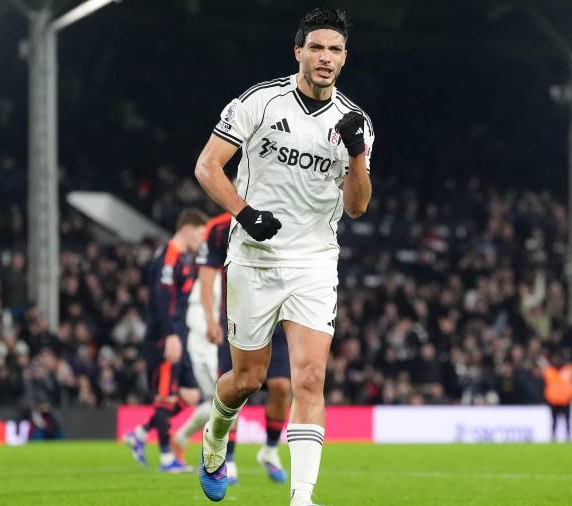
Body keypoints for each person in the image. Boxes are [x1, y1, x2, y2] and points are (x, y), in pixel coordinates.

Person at [193, 8, 374, 504]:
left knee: (309, 379)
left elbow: (357, 207)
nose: (325, 57)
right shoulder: (259, 101)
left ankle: (302, 497)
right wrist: (244, 213)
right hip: (254, 258)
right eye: (316, 47)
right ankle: (214, 437)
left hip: (315, 261)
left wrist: (357, 156)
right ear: (299, 52)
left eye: (335, 50)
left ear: (344, 59)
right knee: (247, 379)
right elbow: (207, 167)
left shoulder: (354, 122)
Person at [172, 211, 292, 485]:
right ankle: (229, 458)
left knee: (282, 387)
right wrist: (211, 319)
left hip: (279, 317)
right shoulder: (219, 227)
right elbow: (206, 273)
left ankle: (270, 451)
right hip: (238, 319)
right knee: (240, 386)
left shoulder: (286, 213)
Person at [124, 208, 208, 472]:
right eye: (200, 233)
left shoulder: (183, 258)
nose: (202, 240)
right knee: (165, 397)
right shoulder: (169, 255)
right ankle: (166, 458)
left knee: (192, 396)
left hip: (179, 332)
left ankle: (140, 433)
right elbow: (161, 299)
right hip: (165, 336)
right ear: (188, 228)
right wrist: (170, 335)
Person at [542, 351, 572, 442]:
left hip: (566, 401)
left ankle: (568, 437)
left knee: (567, 421)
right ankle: (553, 437)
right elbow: (545, 386)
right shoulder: (549, 371)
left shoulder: (569, 370)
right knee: (554, 421)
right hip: (553, 401)